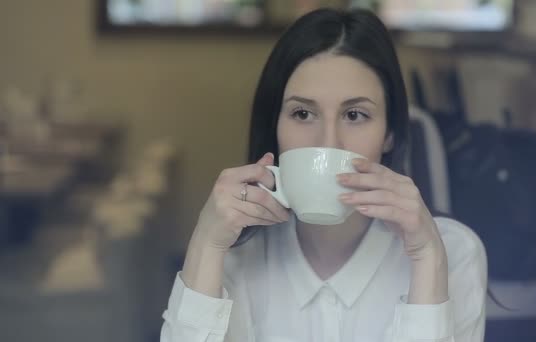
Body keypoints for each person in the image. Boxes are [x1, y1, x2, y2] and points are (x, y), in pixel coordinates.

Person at [161, 8, 486, 342]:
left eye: (355, 115)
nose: (328, 143)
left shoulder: (451, 250)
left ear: (390, 133)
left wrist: (426, 259)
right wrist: (206, 243)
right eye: (303, 113)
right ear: (275, 127)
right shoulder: (233, 253)